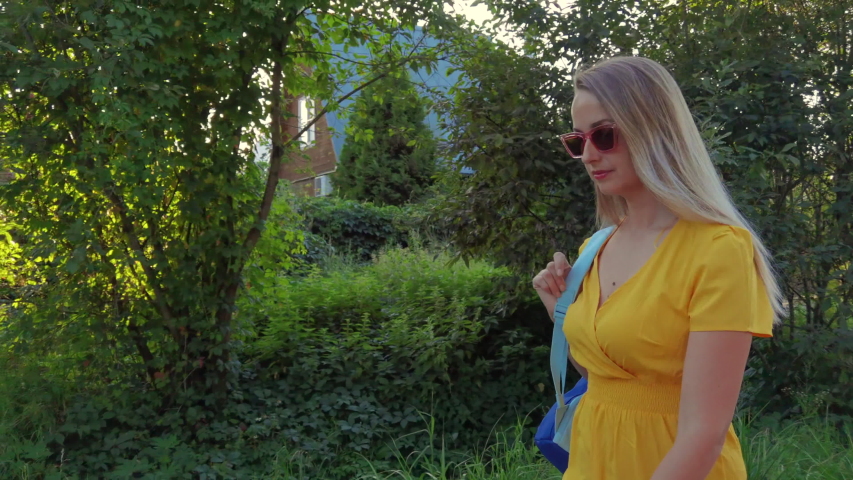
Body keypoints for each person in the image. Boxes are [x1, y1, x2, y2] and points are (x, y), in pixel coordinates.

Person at [531, 56, 783, 480]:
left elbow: (705, 432)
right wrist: (558, 310)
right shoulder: (597, 245)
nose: (589, 155)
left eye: (604, 135)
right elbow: (608, 375)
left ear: (654, 129)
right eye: (578, 141)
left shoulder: (718, 250)